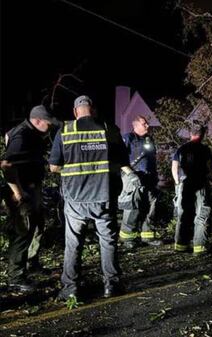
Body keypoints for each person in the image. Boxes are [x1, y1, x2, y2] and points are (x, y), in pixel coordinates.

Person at [49, 95, 138, 299]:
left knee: (73, 243)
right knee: (107, 241)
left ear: (75, 112)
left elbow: (54, 166)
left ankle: (70, 290)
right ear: (94, 110)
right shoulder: (109, 129)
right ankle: (111, 286)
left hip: (75, 199)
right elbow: (122, 162)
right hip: (103, 195)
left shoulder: (65, 130)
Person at [1, 105, 59, 292]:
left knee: (37, 225)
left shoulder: (30, 133)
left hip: (32, 188)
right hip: (21, 192)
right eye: (48, 125)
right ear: (37, 121)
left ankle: (32, 263)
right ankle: (16, 277)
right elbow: (7, 165)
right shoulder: (22, 135)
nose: (50, 128)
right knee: (23, 231)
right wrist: (18, 193)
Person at [171, 126, 212, 255]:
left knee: (184, 214)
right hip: (200, 184)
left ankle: (181, 245)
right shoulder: (204, 149)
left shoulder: (181, 149)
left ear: (190, 134)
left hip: (185, 184)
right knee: (202, 214)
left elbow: (174, 167)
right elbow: (210, 168)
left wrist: (177, 183)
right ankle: (200, 246)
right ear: (203, 135)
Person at [118, 116, 162, 248]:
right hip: (133, 178)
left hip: (149, 178)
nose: (147, 126)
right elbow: (119, 158)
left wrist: (155, 176)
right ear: (136, 126)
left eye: (147, 123)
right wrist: (131, 175)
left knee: (151, 205)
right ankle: (127, 238)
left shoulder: (149, 139)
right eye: (144, 124)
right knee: (132, 207)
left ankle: (147, 236)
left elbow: (151, 159)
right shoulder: (128, 138)